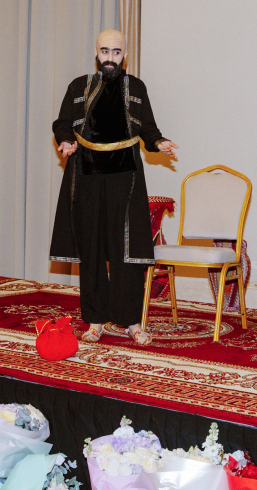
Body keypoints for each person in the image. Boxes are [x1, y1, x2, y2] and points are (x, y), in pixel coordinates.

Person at [50, 29, 177, 346]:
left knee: (127, 251)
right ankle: (95, 322)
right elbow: (62, 123)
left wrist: (158, 142)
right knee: (91, 250)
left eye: (116, 52)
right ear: (96, 53)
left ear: (125, 56)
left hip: (125, 176)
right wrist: (66, 141)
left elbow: (148, 127)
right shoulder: (78, 86)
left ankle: (132, 322)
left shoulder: (136, 87)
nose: (110, 57)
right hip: (86, 175)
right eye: (105, 51)